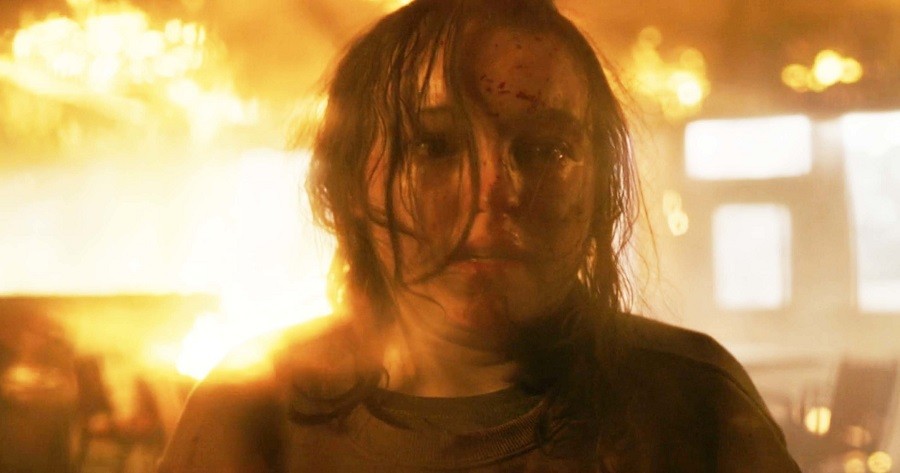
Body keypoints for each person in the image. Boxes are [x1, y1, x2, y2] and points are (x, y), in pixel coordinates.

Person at [159, 0, 801, 471]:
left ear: (599, 190)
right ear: (351, 182)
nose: (496, 191)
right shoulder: (250, 417)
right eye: (433, 147)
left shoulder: (692, 408)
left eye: (545, 150)